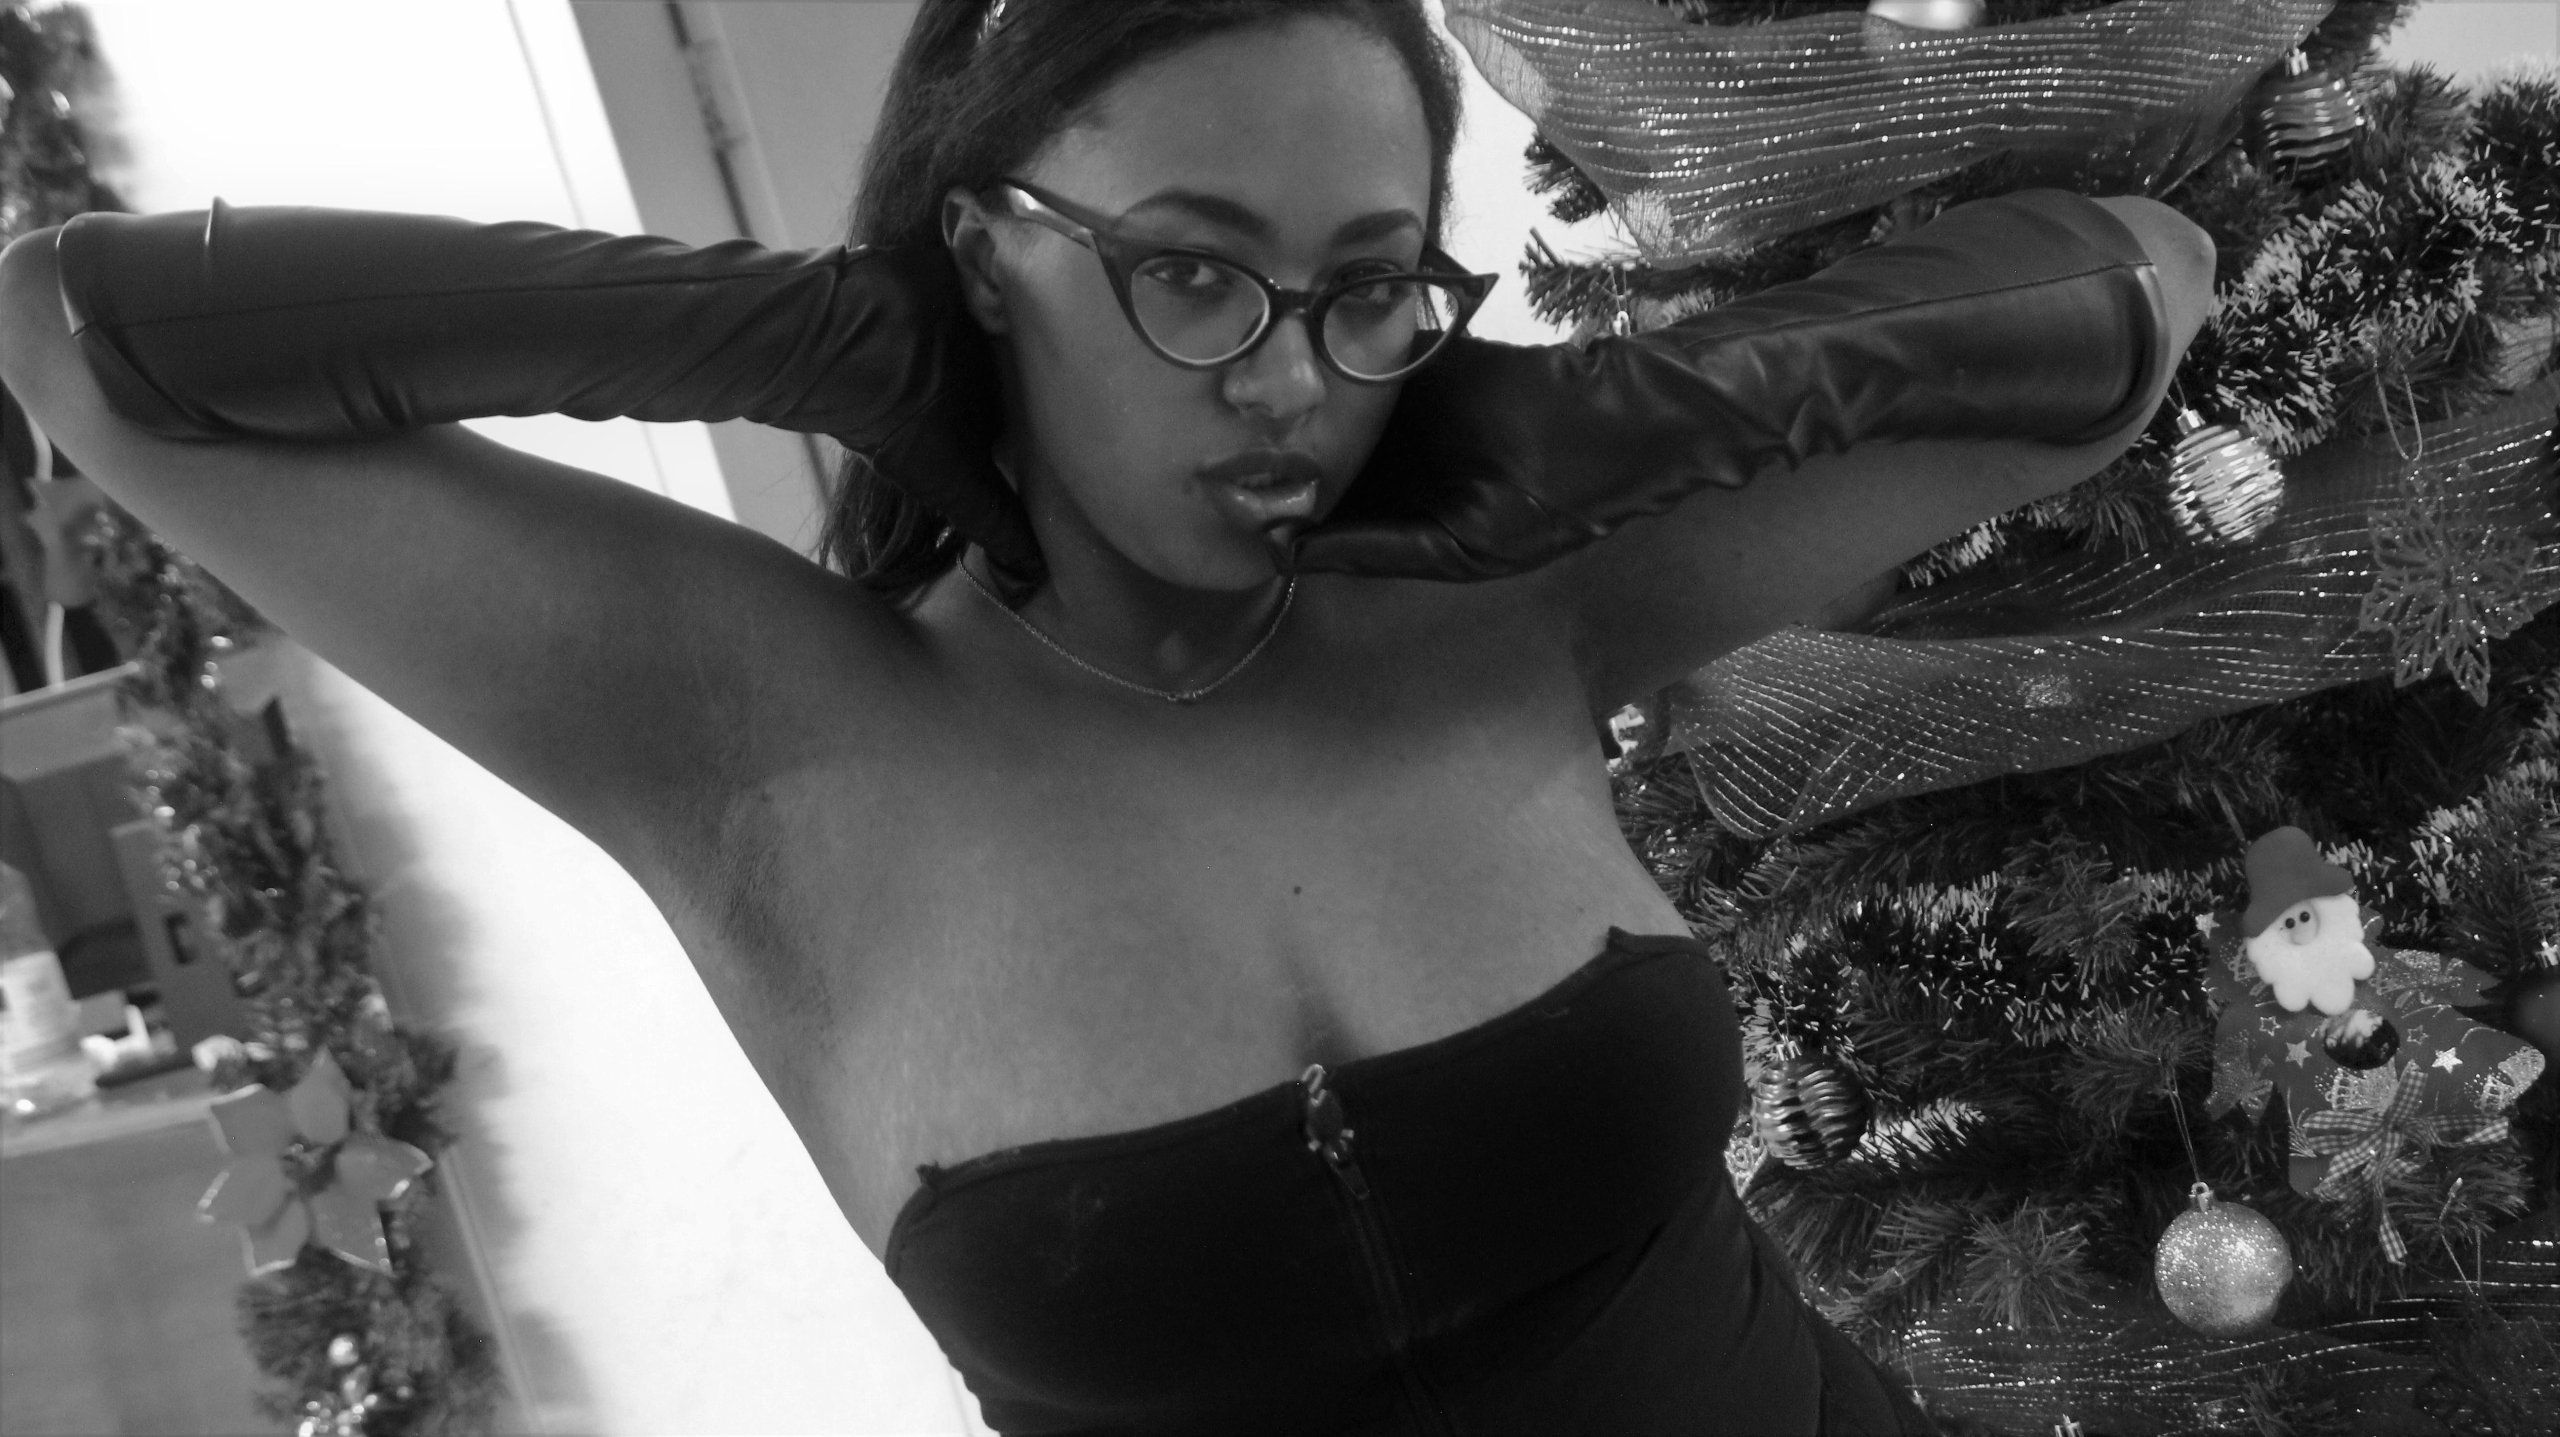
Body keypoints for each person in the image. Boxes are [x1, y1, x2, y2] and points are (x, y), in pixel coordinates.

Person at [0, 0, 2213, 1429]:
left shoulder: (1511, 615)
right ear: (982, 253)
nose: (1286, 383)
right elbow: (79, 338)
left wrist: (1588, 423)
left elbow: (2132, 292)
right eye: (1187, 267)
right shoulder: (746, 729)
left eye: (1366, 287)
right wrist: (809, 338)